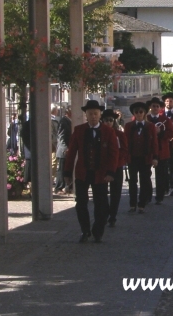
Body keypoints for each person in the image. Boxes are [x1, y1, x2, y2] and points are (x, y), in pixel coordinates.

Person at [64, 100, 119, 243]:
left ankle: (98, 230)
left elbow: (113, 154)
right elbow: (71, 153)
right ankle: (85, 230)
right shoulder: (79, 130)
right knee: (81, 202)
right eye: (90, 114)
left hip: (100, 173)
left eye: (95, 113)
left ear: (100, 114)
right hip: (83, 172)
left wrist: (111, 172)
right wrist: (67, 173)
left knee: (102, 205)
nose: (93, 116)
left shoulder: (108, 131)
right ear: (86, 115)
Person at [124, 101, 158, 213]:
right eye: (136, 112)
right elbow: (125, 142)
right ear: (134, 113)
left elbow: (154, 143)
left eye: (141, 112)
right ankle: (132, 204)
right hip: (132, 157)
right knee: (132, 181)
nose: (138, 114)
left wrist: (155, 157)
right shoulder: (128, 126)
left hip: (145, 157)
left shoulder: (150, 126)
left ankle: (142, 204)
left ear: (144, 113)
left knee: (144, 181)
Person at [101, 109, 128, 227]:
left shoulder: (119, 134)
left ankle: (113, 216)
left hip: (117, 166)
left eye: (111, 120)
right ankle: (105, 212)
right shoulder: (100, 133)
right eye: (106, 120)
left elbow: (124, 149)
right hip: (103, 167)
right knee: (102, 192)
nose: (108, 122)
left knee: (115, 192)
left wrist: (116, 159)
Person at [146, 97, 173, 204]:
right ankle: (147, 196)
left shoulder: (165, 119)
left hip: (162, 150)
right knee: (146, 175)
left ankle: (159, 196)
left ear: (160, 108)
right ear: (150, 107)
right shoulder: (145, 118)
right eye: (153, 106)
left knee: (161, 175)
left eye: (157, 106)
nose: (155, 108)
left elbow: (171, 133)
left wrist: (160, 133)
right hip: (148, 150)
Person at [54, 107, 72, 195]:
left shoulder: (69, 121)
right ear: (68, 112)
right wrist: (65, 147)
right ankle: (59, 187)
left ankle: (67, 186)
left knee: (66, 169)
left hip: (68, 149)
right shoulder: (64, 121)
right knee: (61, 169)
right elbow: (61, 136)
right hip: (63, 150)